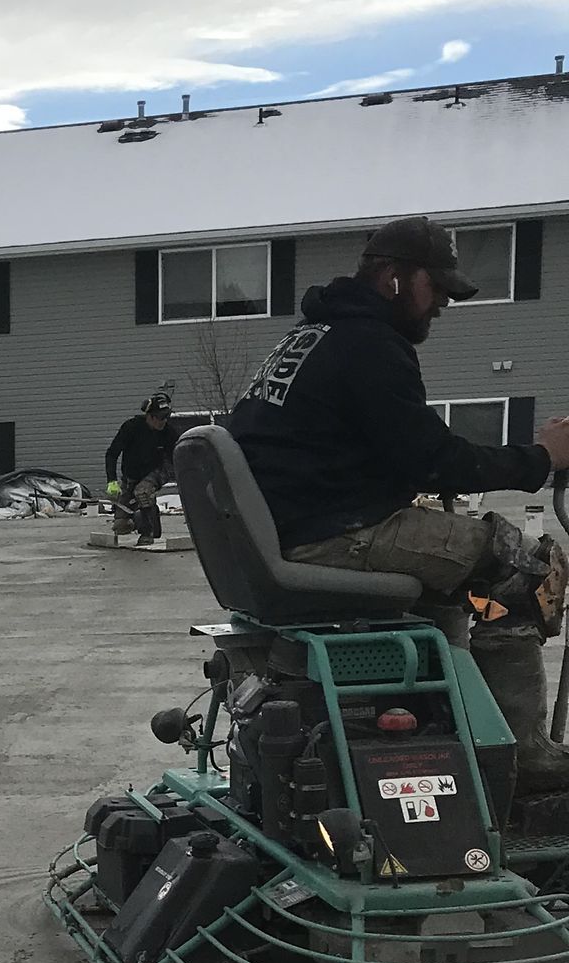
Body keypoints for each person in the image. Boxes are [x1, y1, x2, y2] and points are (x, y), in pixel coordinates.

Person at [228, 214, 569, 793]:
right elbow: (432, 460)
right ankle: (522, 756)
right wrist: (544, 456)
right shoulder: (369, 345)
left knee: (458, 576)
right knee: (526, 565)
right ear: (393, 277)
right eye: (434, 287)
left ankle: (450, 724)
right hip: (334, 533)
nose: (441, 303)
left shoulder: (311, 337)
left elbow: (369, 449)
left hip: (293, 527)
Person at [104, 389, 178, 548]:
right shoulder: (131, 428)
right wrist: (112, 481)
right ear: (149, 416)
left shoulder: (168, 433)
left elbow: (178, 454)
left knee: (143, 491)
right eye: (160, 418)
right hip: (131, 476)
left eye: (167, 417)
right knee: (121, 527)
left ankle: (148, 533)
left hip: (159, 470)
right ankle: (147, 519)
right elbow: (112, 454)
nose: (164, 421)